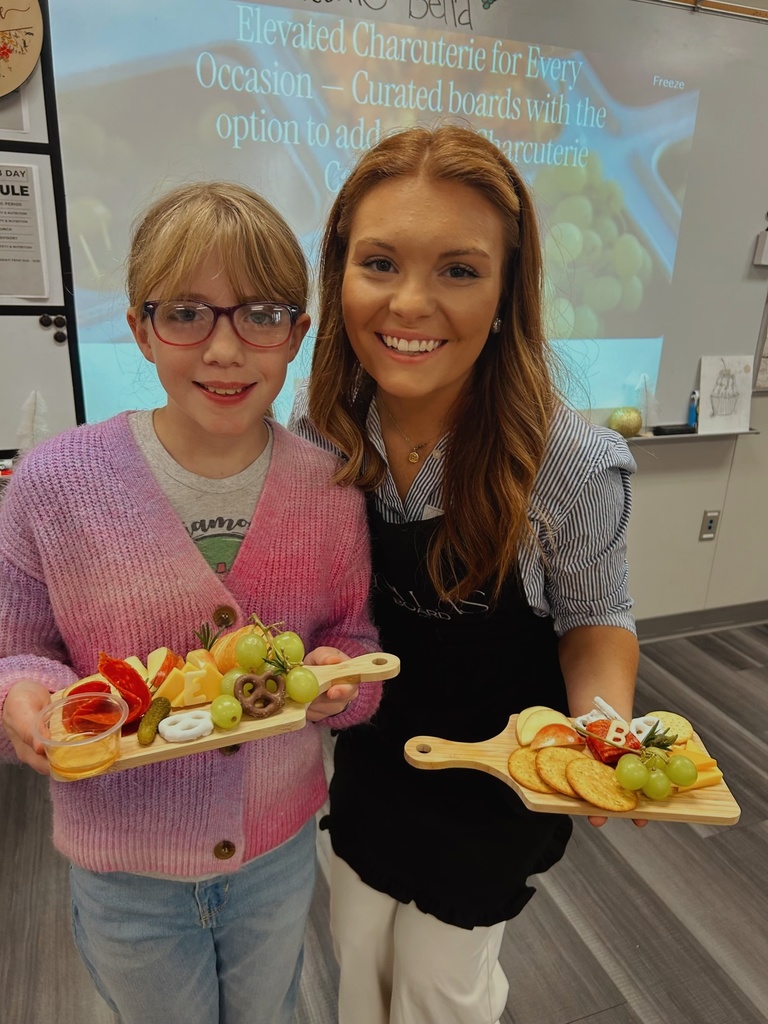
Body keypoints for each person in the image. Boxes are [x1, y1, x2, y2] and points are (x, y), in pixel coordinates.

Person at [0, 180, 381, 1024]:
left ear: (298, 335)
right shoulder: (53, 485)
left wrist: (343, 680)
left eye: (261, 315)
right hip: (123, 870)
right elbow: (18, 650)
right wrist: (19, 697)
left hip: (277, 854)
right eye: (186, 314)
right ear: (139, 329)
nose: (224, 350)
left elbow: (353, 638)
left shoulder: (330, 492)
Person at [290, 124, 641, 1024]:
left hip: (498, 791)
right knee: (359, 964)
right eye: (379, 263)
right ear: (340, 275)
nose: (410, 303)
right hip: (372, 766)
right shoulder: (325, 432)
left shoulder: (569, 463)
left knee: (440, 990)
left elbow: (596, 624)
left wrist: (603, 733)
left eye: (458, 269)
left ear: (505, 290)